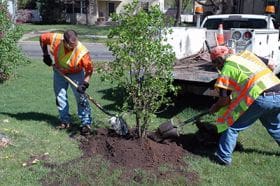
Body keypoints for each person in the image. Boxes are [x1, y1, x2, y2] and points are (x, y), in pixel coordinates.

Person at [209, 46, 280, 166]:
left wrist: (214, 108)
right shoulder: (246, 55)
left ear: (218, 61)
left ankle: (223, 158)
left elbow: (224, 100)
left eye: (215, 64)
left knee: (230, 125)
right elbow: (272, 64)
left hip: (261, 97)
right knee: (275, 126)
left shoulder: (227, 69)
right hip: (278, 91)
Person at [39, 30, 94, 134]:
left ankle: (86, 123)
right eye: (70, 46)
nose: (74, 47)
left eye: (75, 44)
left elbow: (89, 70)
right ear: (64, 42)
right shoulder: (56, 39)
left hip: (76, 74)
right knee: (60, 96)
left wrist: (84, 84)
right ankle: (65, 121)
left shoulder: (82, 52)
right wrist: (45, 54)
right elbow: (42, 38)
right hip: (59, 72)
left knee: (81, 97)